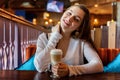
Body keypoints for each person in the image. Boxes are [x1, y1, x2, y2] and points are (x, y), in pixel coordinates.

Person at [34, 4, 103, 77]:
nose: (69, 19)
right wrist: (55, 37)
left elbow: (98, 65)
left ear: (79, 27)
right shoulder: (43, 38)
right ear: (64, 13)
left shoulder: (82, 42)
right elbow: (40, 67)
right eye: (69, 13)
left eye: (76, 19)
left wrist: (70, 70)